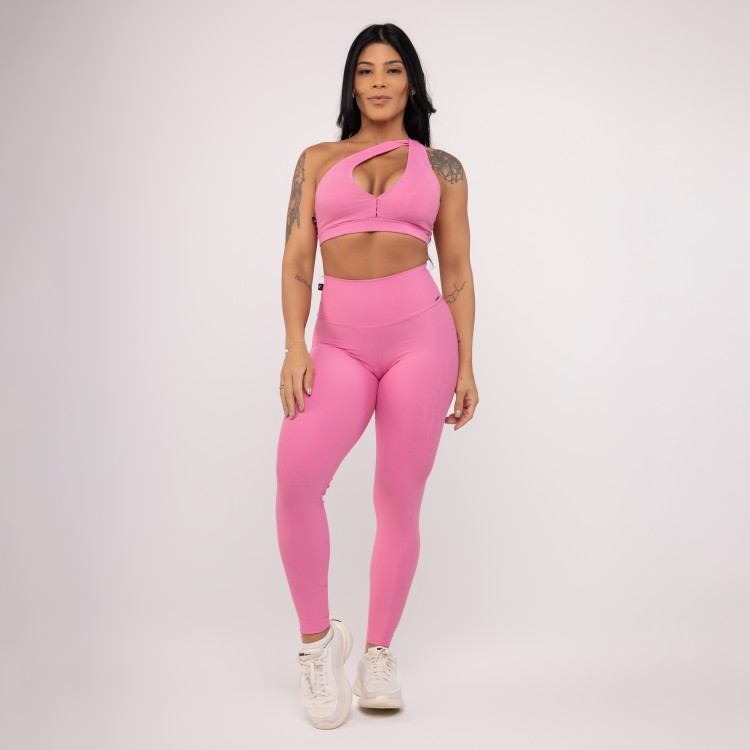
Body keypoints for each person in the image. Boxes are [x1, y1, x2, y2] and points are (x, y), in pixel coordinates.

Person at [275, 22, 478, 730]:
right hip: (337, 343)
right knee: (296, 478)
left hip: (422, 341)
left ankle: (379, 654)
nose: (380, 82)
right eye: (366, 70)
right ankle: (317, 644)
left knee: (398, 499)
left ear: (411, 82)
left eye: (393, 69)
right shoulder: (316, 160)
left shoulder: (443, 168)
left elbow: (457, 271)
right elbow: (297, 260)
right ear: (352, 84)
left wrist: (467, 361)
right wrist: (294, 345)